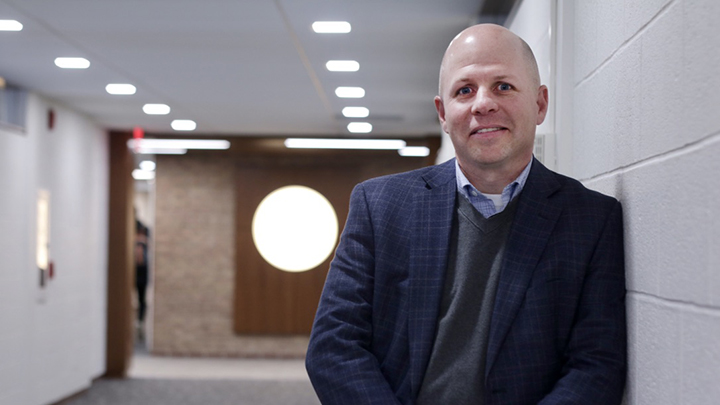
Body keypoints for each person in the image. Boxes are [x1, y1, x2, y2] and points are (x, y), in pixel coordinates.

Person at [305, 23, 626, 405]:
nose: (483, 104)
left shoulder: (591, 220)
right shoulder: (380, 206)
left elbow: (596, 365)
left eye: (503, 86)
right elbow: (333, 347)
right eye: (465, 90)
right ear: (443, 112)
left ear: (540, 104)